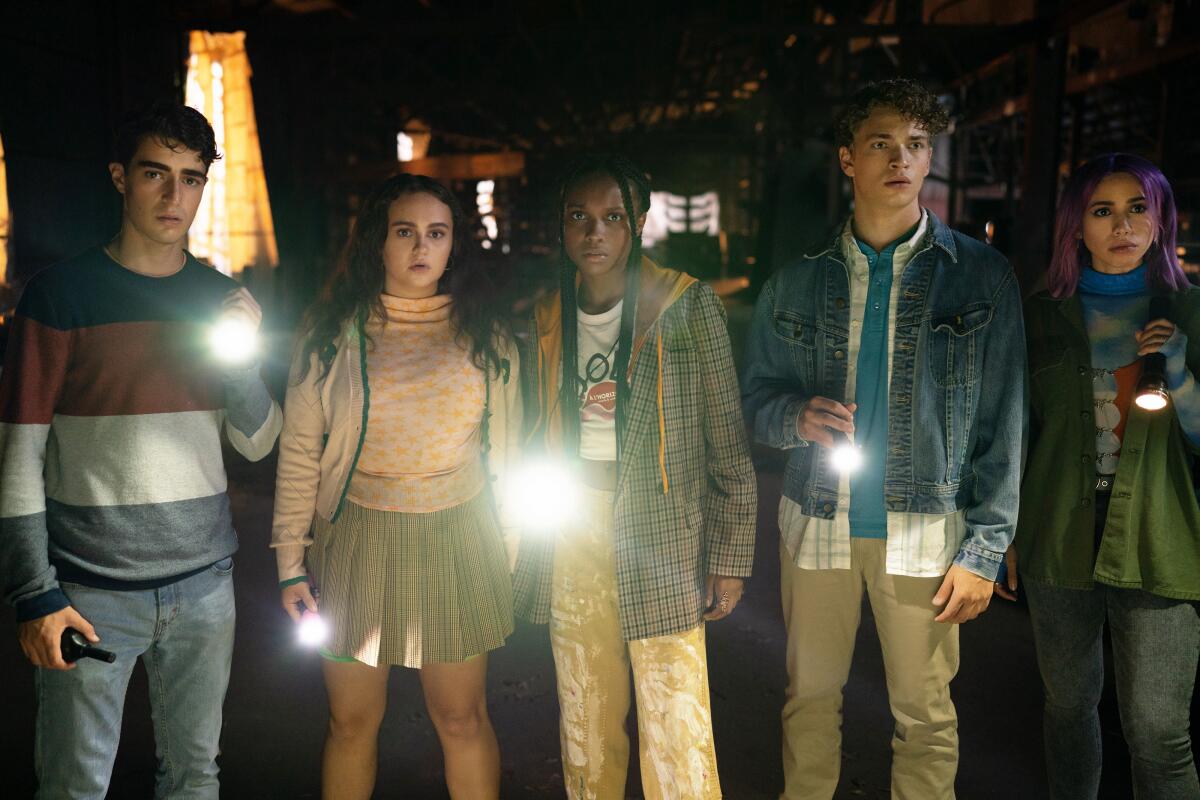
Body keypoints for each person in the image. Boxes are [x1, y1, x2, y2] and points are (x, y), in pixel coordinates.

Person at [741, 78, 1027, 800]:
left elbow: (1005, 421)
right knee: (809, 698)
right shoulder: (796, 282)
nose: (901, 159)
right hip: (817, 520)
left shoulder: (981, 277)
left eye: (917, 144)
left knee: (925, 716)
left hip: (926, 531)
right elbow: (755, 401)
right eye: (881, 143)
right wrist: (793, 417)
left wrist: (986, 548)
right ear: (847, 158)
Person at [0, 101, 281, 799]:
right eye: (156, 174)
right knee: (74, 785)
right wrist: (34, 592)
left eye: (190, 178)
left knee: (194, 777)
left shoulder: (220, 299)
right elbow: (18, 459)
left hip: (206, 583)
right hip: (91, 589)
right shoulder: (60, 297)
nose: (173, 195)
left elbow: (259, 440)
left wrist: (243, 361)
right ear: (120, 177)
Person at [512, 154, 757, 799]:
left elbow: (725, 436)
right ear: (561, 228)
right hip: (573, 524)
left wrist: (728, 556)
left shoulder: (683, 304)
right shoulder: (547, 315)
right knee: (586, 710)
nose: (595, 233)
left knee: (675, 711)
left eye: (612, 218)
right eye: (579, 218)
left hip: (664, 526)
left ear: (638, 224)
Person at [271, 173, 520, 800]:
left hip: (459, 536)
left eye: (436, 233)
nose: (420, 247)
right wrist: (289, 562)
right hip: (355, 535)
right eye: (404, 231)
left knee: (461, 718)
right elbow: (301, 450)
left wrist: (510, 552)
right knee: (350, 721)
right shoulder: (331, 334)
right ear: (376, 243)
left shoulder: (487, 336)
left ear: (454, 245)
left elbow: (509, 456)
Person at [1006, 153, 1200, 799]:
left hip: (1160, 538)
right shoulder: (1040, 316)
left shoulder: (1191, 314)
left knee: (1157, 731)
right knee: (1067, 709)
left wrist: (1178, 371)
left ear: (1162, 219)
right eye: (1103, 210)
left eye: (1138, 207)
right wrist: (998, 534)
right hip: (1057, 535)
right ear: (1077, 227)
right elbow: (1013, 432)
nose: (1123, 224)